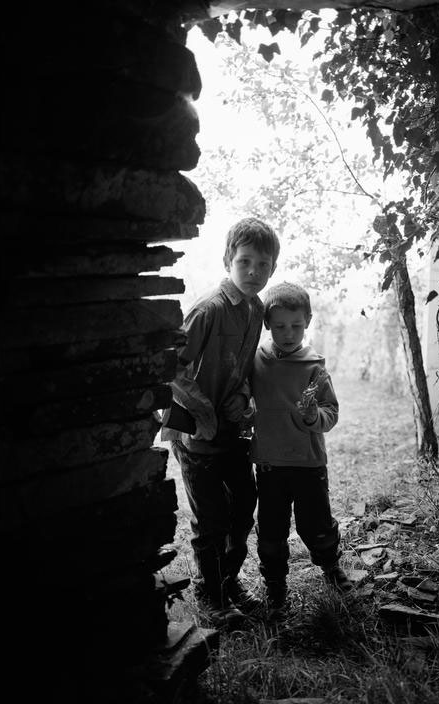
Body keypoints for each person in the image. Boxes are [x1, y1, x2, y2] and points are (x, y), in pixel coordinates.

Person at [161, 217, 280, 628]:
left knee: (244, 505)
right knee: (211, 518)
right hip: (196, 433)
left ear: (272, 269)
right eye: (245, 261)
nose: (253, 272)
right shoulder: (209, 310)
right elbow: (171, 368)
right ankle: (210, 594)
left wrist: (243, 397)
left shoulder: (257, 308)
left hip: (231, 432)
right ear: (228, 259)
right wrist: (204, 411)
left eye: (262, 265)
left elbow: (245, 368)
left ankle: (227, 580)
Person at [250, 282, 353, 619]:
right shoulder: (256, 362)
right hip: (269, 464)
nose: (288, 333)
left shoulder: (314, 368)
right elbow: (244, 395)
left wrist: (313, 416)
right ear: (267, 324)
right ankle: (276, 585)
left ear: (307, 320)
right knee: (271, 528)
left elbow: (331, 412)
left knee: (316, 523)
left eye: (295, 325)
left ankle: (330, 567)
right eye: (279, 326)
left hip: (308, 464)